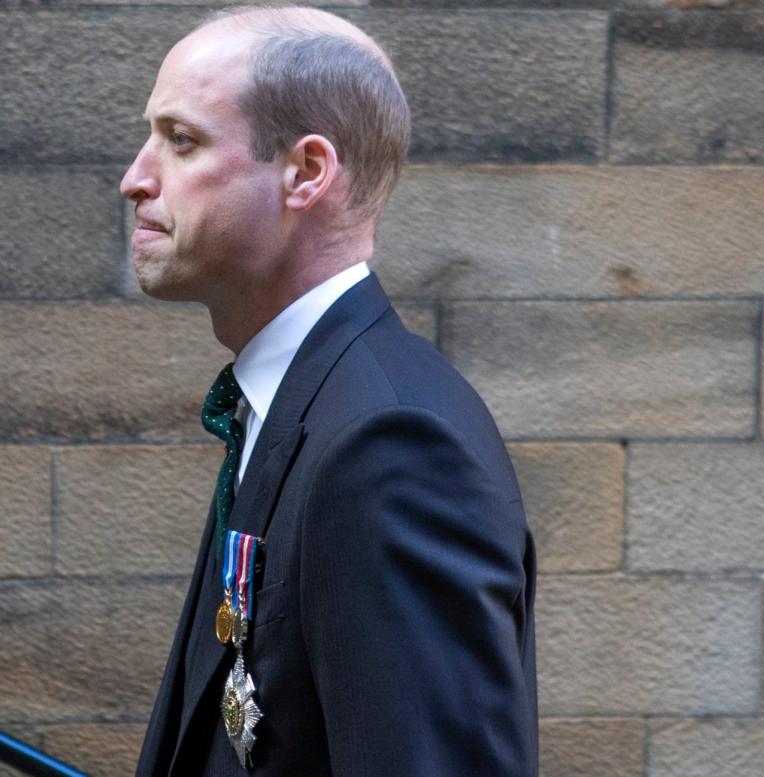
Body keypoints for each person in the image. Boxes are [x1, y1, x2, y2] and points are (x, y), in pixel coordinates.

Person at [119, 6, 537, 776]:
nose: (135, 179)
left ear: (306, 173)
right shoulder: (301, 399)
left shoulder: (393, 445)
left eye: (181, 141)